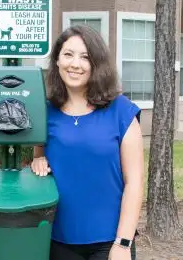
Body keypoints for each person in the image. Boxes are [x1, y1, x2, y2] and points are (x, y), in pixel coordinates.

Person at [31, 25, 144, 260]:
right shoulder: (46, 112)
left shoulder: (121, 111)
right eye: (68, 54)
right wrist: (38, 160)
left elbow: (134, 183)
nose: (75, 64)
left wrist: (123, 243)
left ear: (97, 64)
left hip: (110, 242)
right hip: (58, 240)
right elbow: (39, 156)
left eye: (85, 57)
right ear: (57, 60)